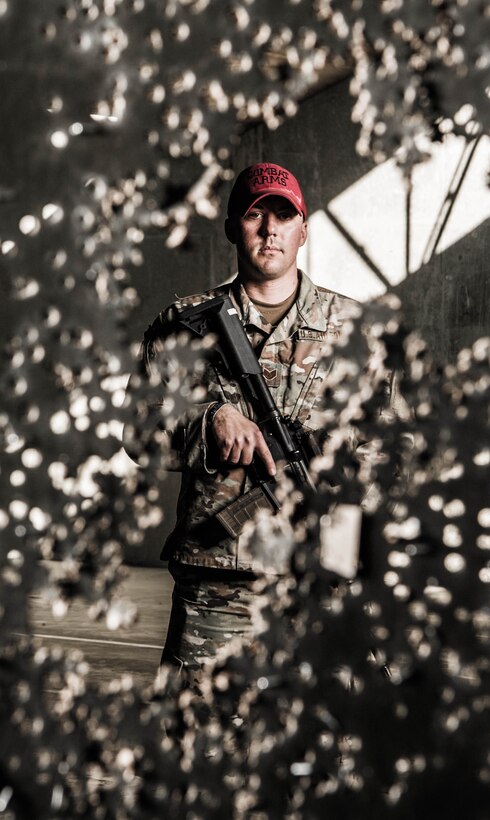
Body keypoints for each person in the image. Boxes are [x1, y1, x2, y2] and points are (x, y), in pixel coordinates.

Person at [124, 162, 371, 684]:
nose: (270, 229)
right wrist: (207, 421)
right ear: (234, 225)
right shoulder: (182, 326)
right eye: (257, 215)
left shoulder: (354, 331)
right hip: (217, 585)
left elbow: (396, 449)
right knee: (196, 747)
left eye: (284, 215)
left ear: (304, 230)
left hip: (319, 578)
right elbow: (138, 433)